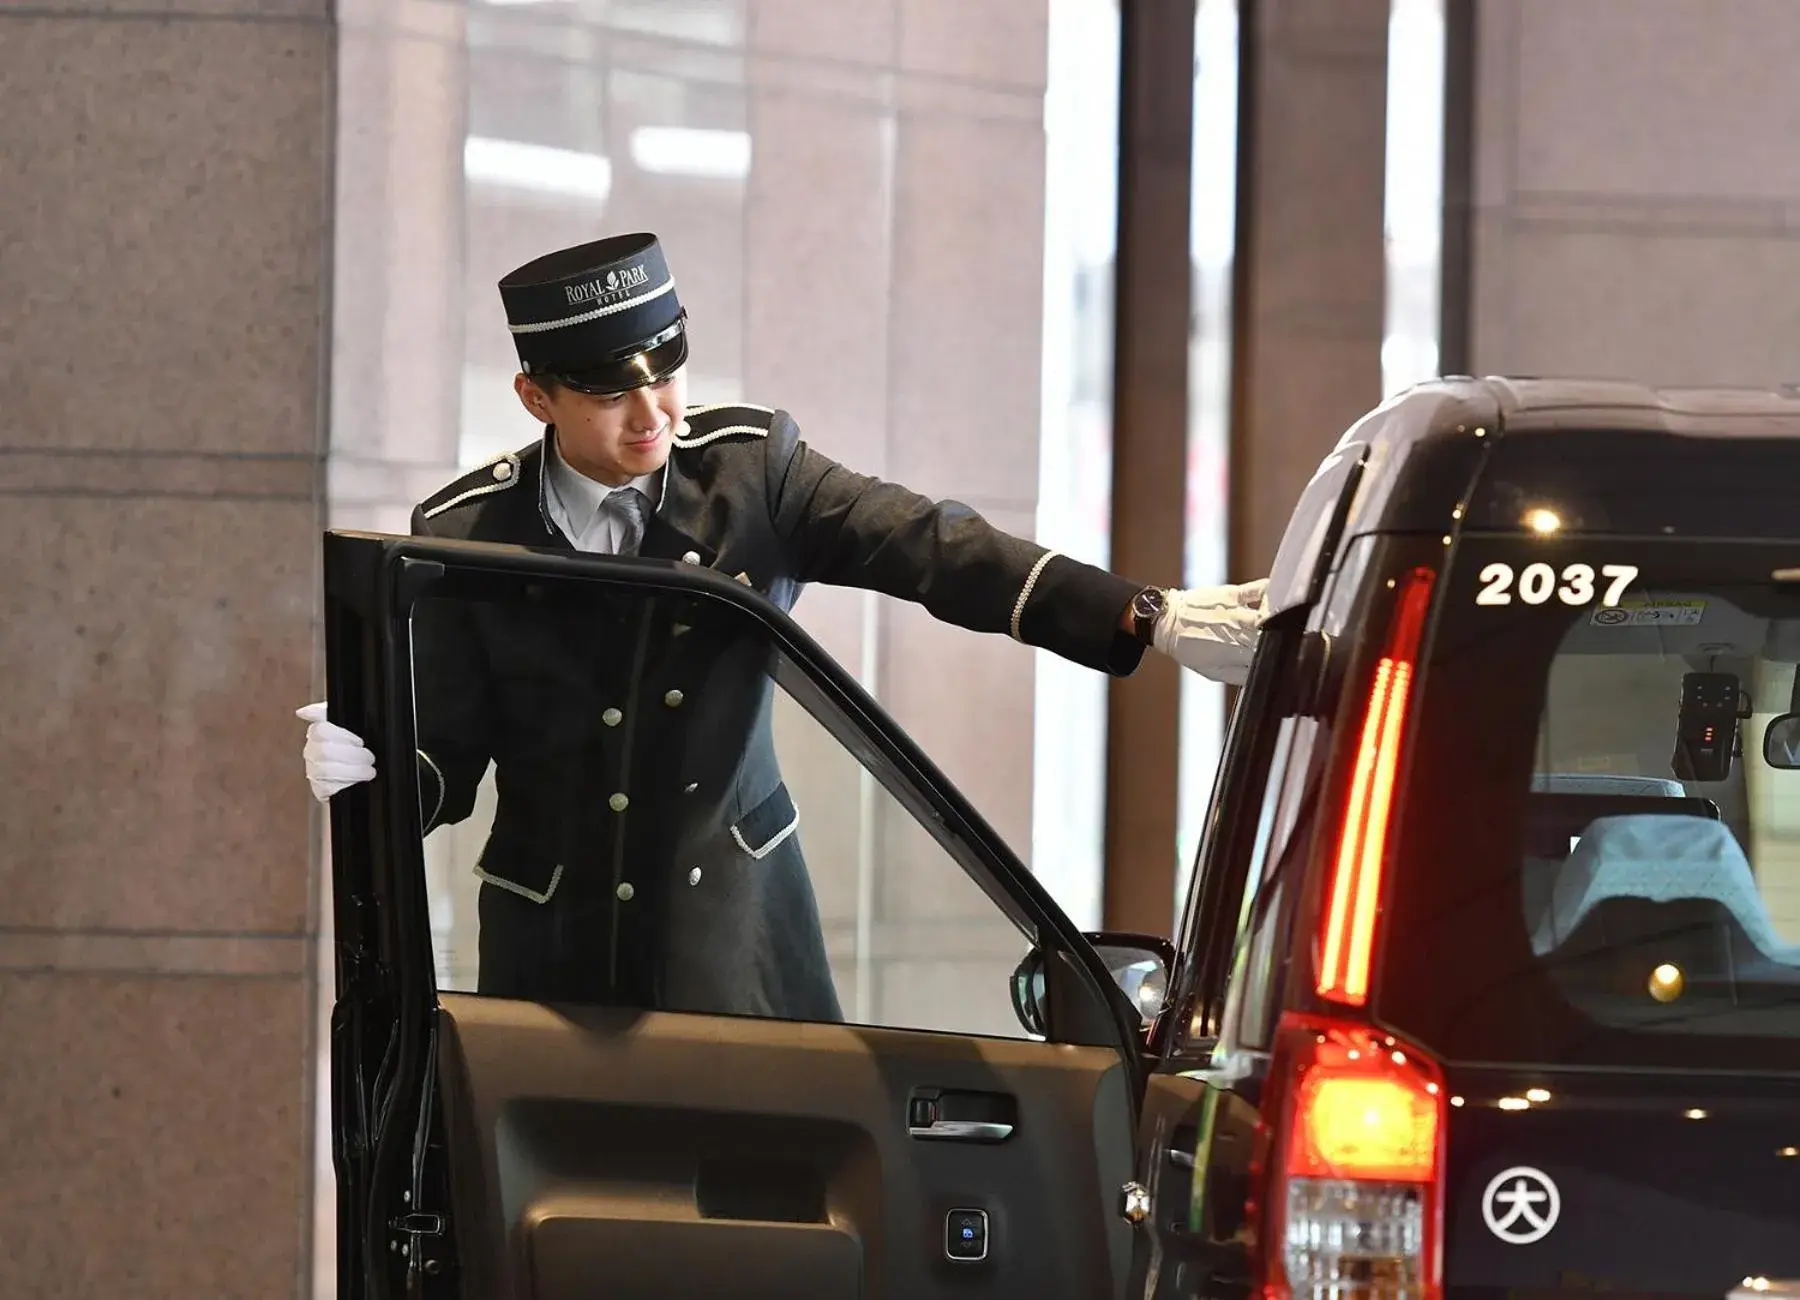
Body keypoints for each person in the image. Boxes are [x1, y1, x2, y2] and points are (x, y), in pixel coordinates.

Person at [299, 231, 1268, 1020]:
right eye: (608, 392)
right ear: (535, 397)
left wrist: (1144, 614)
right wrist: (373, 760)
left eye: (666, 370)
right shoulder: (467, 532)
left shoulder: (753, 475)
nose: (652, 412)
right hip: (552, 961)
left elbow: (932, 546)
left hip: (738, 940)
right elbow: (447, 759)